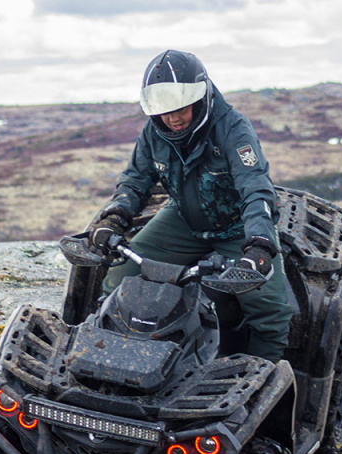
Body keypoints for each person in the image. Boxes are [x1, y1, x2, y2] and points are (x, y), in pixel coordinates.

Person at [89, 49, 292, 363]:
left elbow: (255, 187)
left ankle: (260, 379)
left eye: (180, 108)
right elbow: (135, 179)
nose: (172, 118)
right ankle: (105, 354)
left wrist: (260, 245)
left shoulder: (233, 129)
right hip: (183, 219)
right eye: (163, 110)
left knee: (271, 312)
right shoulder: (155, 133)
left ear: (201, 97)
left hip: (237, 226)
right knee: (121, 275)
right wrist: (115, 217)